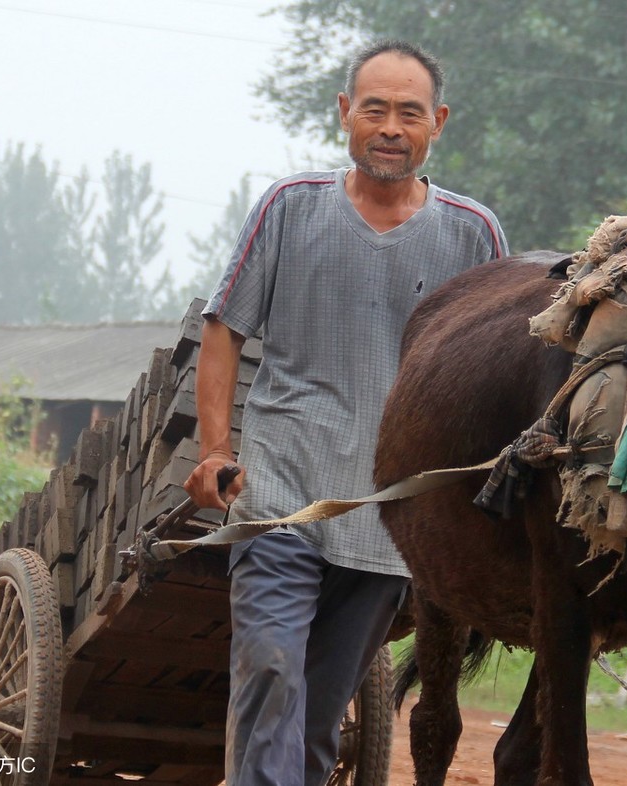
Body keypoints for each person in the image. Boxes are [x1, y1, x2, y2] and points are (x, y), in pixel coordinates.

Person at [183, 39, 508, 786]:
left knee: (320, 717)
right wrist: (214, 451)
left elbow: (490, 377)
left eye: (409, 113)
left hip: (390, 520)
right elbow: (223, 327)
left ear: (438, 124)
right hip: (279, 496)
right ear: (344, 115)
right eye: (375, 109)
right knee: (268, 668)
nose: (391, 127)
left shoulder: (473, 234)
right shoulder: (291, 207)